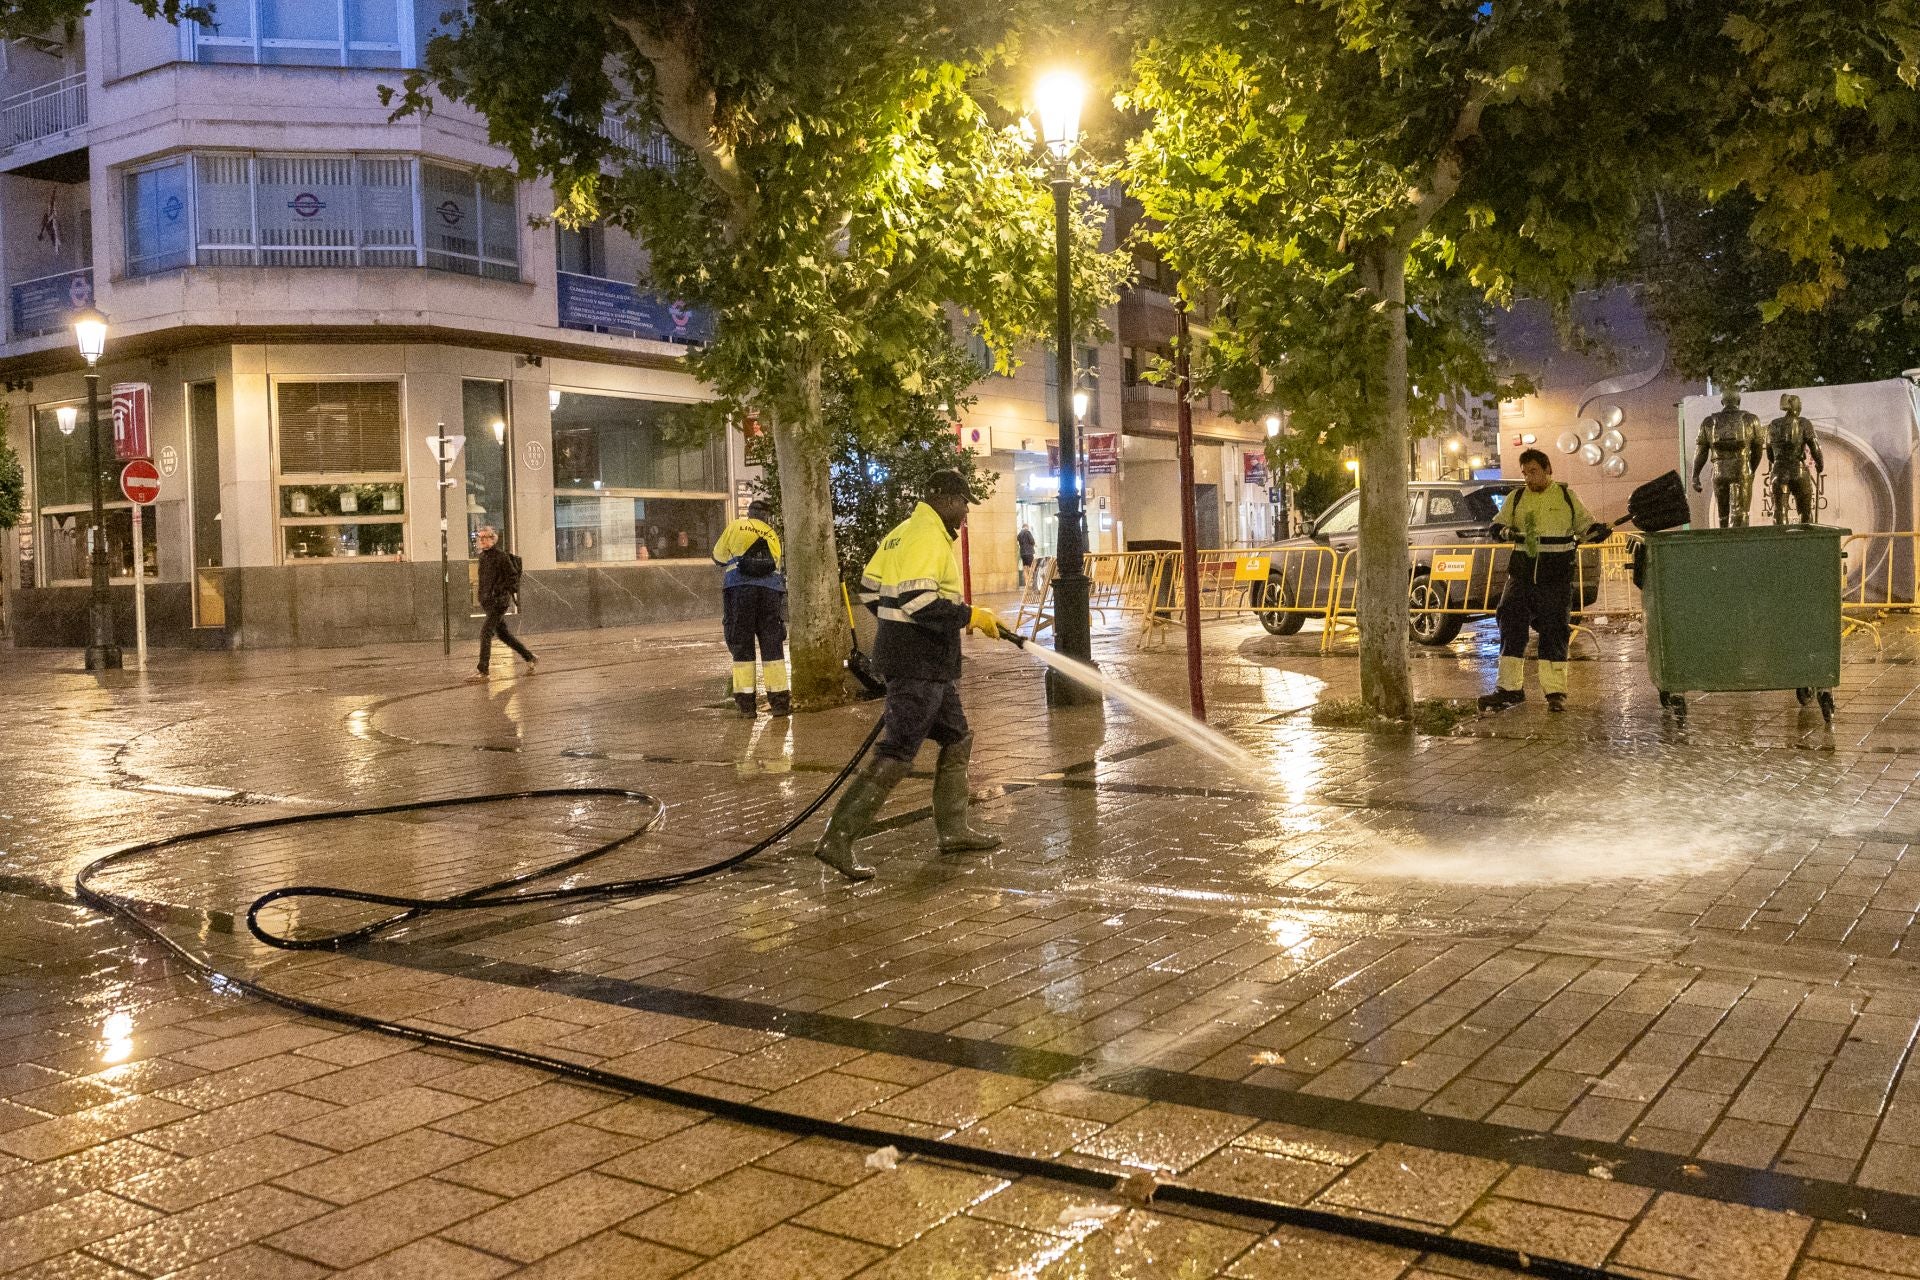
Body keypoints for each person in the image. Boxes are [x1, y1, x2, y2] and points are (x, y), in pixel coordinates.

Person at [814, 469, 1003, 881]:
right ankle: (837, 838)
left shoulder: (902, 532)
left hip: (925, 664)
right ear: (942, 498)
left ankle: (953, 830)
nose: (966, 508)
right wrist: (969, 615)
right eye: (962, 500)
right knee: (897, 751)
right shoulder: (926, 536)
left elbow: (867, 588)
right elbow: (918, 601)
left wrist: (893, 629)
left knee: (957, 736)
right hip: (919, 667)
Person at [1478, 450, 1608, 714]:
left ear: (1548, 469)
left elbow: (1586, 527)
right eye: (1525, 473)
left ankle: (1555, 692)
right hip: (1521, 576)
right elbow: (1495, 526)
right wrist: (1503, 531)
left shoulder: (1566, 497)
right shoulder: (1516, 499)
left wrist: (1597, 532)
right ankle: (1510, 689)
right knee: (1510, 624)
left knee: (1554, 630)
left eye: (1533, 471)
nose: (1528, 478)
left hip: (1556, 578)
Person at [710, 500, 790, 716]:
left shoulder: (735, 527)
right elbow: (777, 564)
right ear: (766, 516)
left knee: (742, 645)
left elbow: (718, 557)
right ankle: (780, 704)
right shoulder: (772, 534)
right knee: (772, 645)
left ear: (749, 513)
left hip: (740, 590)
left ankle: (746, 706)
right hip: (770, 592)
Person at [467, 526, 536, 683]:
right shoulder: (483, 557)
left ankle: (483, 670)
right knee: (503, 635)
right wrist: (483, 597)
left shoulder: (501, 557)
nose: (482, 540)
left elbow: (513, 578)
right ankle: (529, 657)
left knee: (486, 632)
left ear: (493, 539)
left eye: (486, 537)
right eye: (480, 537)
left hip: (499, 603)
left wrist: (499, 591)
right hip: (488, 602)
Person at [1692, 388, 1763, 527]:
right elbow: (1758, 450)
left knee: (1722, 515)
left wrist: (1695, 476)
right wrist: (1751, 469)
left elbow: (1701, 452)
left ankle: (1722, 543)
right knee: (1742, 514)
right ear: (1739, 401)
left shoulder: (1709, 422)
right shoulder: (1751, 419)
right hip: (1742, 469)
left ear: (1722, 402)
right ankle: (1741, 545)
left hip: (1719, 470)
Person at [1766, 393, 1825, 526]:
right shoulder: (1803, 423)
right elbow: (1815, 447)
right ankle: (1806, 542)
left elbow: (1769, 455)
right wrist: (1820, 463)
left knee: (1779, 512)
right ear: (1798, 407)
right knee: (1805, 511)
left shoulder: (1772, 425)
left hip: (1778, 471)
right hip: (1798, 470)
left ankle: (1781, 544)